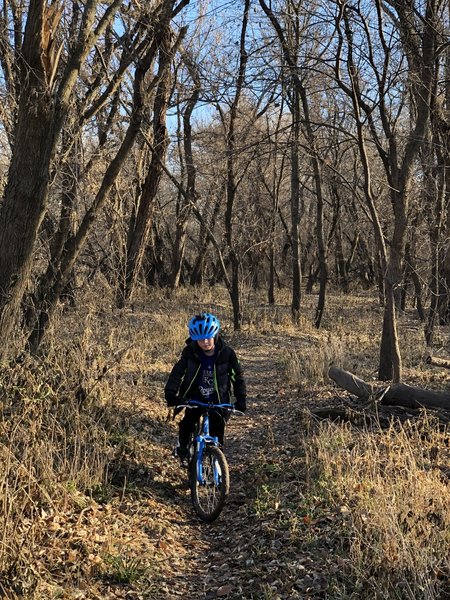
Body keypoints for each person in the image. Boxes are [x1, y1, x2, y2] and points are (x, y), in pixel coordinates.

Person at [164, 312, 247, 459]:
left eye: (208, 338)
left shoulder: (227, 353)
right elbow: (178, 372)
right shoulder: (190, 352)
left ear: (215, 335)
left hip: (218, 399)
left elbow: (237, 376)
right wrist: (171, 393)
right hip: (195, 397)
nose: (205, 342)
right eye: (200, 340)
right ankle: (182, 448)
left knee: (218, 432)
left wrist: (241, 398)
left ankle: (218, 464)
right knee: (187, 424)